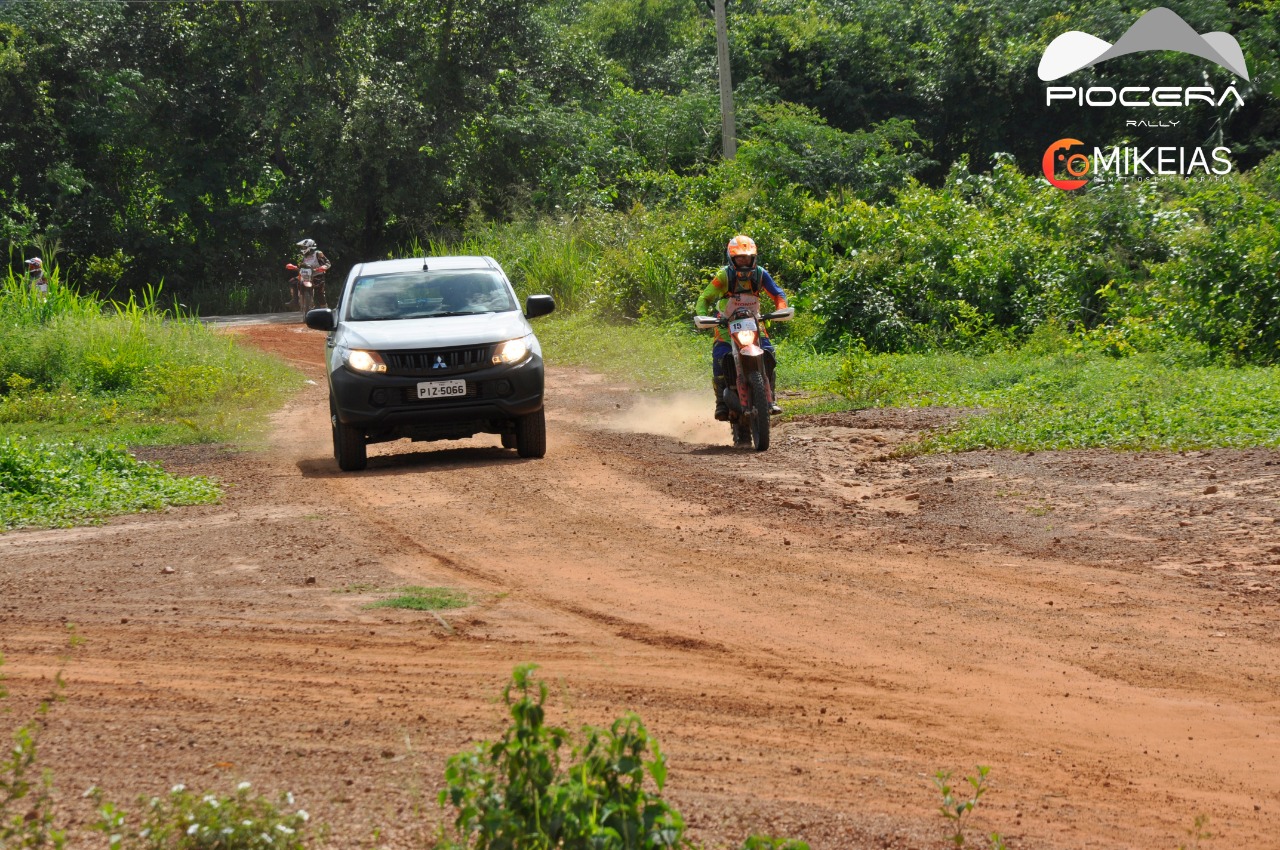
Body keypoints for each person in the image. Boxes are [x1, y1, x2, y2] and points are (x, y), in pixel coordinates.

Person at [695, 235, 789, 420]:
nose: (743, 261)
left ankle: (771, 397)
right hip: (725, 325)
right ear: (732, 258)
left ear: (753, 257)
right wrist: (703, 316)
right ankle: (720, 402)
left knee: (769, 352)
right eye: (739, 258)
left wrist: (781, 309)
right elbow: (704, 298)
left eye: (746, 257)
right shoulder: (724, 275)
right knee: (720, 357)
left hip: (754, 323)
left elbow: (778, 294)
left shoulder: (760, 274)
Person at [293, 238, 331, 307]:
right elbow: (301, 265)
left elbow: (328, 263)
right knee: (292, 281)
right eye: (302, 247)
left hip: (317, 276)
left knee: (319, 293)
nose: (302, 249)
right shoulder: (304, 256)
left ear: (310, 247)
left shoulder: (318, 253)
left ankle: (324, 308)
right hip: (305, 276)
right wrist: (295, 267)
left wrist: (323, 267)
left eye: (304, 247)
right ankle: (294, 300)